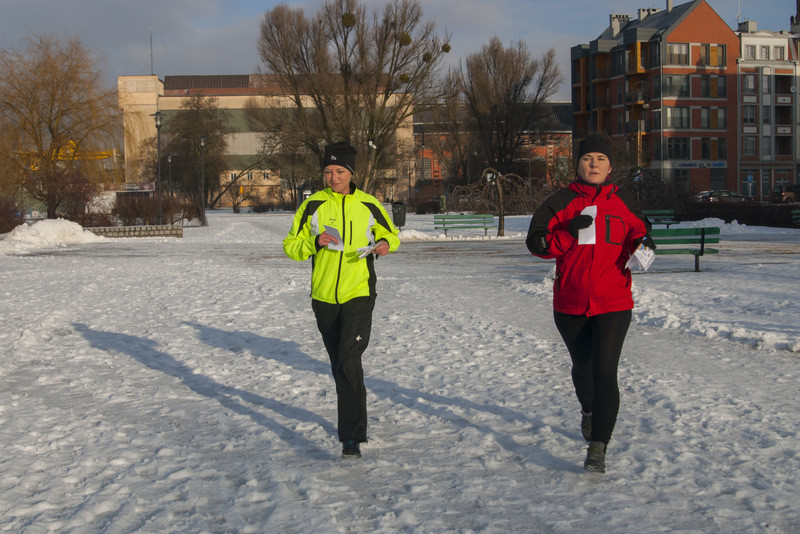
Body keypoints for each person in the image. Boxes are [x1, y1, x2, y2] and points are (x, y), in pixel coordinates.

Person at [525, 133, 653, 473]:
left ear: (610, 166)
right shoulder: (560, 201)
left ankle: (598, 447)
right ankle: (588, 410)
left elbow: (642, 233)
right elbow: (536, 243)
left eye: (600, 159)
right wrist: (567, 231)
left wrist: (643, 245)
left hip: (614, 301)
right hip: (570, 303)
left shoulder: (624, 200)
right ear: (577, 164)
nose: (593, 164)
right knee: (583, 368)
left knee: (605, 371)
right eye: (586, 159)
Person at [283, 141, 400, 458]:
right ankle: (352, 421)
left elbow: (391, 234)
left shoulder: (368, 204)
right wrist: (314, 241)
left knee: (349, 358)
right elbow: (291, 246)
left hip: (359, 292)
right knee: (340, 365)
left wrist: (385, 244)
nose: (333, 178)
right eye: (328, 171)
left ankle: (352, 437)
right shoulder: (313, 205)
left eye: (339, 171)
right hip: (323, 297)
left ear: (351, 173)